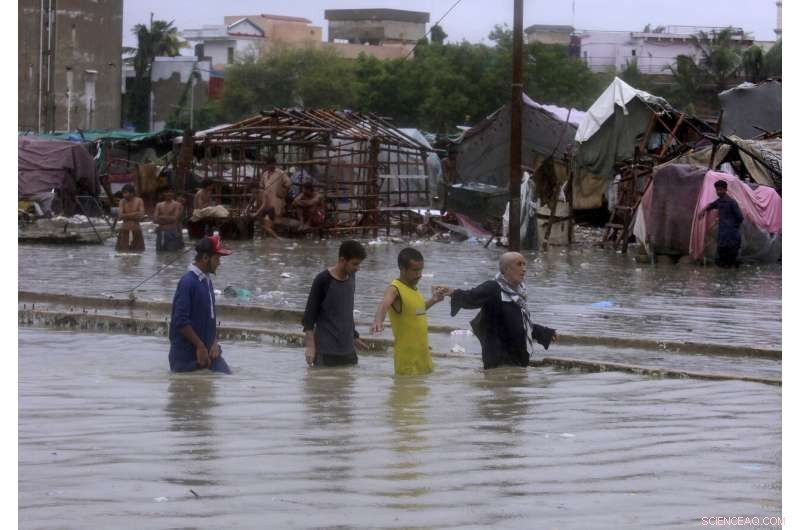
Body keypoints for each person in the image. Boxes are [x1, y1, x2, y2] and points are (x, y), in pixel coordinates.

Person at [444, 252, 557, 370]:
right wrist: (453, 292)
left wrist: (544, 333)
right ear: (506, 269)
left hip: (516, 361)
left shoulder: (519, 294)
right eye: (519, 264)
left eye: (524, 264)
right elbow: (471, 297)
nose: (524, 269)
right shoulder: (493, 288)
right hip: (499, 362)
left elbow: (518, 324)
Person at [371, 247, 445, 375]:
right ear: (402, 269)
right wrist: (378, 321)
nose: (419, 274)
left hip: (423, 357)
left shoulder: (414, 289)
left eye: (421, 270)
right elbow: (384, 304)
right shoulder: (394, 289)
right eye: (415, 270)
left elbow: (416, 313)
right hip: (407, 361)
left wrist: (433, 300)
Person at [168, 235, 233, 374]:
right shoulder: (188, 282)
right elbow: (180, 320)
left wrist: (214, 342)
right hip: (186, 358)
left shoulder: (206, 281)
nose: (219, 263)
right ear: (205, 258)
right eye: (217, 259)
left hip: (209, 354)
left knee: (228, 377)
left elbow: (210, 318)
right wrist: (199, 345)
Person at [302, 240, 369, 367]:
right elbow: (309, 316)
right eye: (355, 264)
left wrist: (354, 336)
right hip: (326, 352)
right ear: (343, 260)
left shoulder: (352, 277)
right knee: (324, 379)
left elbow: (346, 311)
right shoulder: (323, 280)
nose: (358, 268)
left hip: (348, 351)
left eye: (359, 264)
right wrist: (310, 346)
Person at [698, 179, 744, 268]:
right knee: (720, 262)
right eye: (717, 190)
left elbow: (740, 218)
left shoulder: (732, 202)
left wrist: (732, 227)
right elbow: (711, 205)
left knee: (732, 262)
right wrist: (703, 210)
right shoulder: (719, 201)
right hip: (722, 237)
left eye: (720, 189)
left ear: (725, 190)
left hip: (732, 237)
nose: (718, 192)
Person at [116, 184, 145, 252]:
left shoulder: (139, 200)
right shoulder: (122, 201)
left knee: (138, 252)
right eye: (123, 193)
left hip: (136, 229)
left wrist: (125, 215)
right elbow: (120, 215)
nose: (124, 195)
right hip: (124, 230)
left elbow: (141, 215)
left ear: (132, 193)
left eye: (125, 193)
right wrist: (135, 214)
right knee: (123, 252)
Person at [154, 186, 185, 251]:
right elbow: (155, 219)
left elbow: (175, 218)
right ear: (163, 193)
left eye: (171, 192)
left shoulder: (177, 205)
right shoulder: (158, 205)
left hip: (172, 231)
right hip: (161, 232)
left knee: (172, 252)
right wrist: (169, 218)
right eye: (166, 192)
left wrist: (161, 217)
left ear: (173, 193)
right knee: (159, 253)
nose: (169, 194)